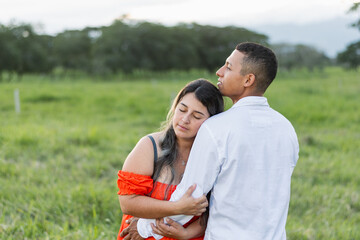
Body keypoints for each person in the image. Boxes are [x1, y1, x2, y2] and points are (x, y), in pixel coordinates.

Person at [137, 42, 299, 240]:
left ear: (248, 79)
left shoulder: (217, 128)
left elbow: (191, 195)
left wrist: (143, 227)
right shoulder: (286, 128)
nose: (219, 72)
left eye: (229, 67)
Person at [117, 79, 224, 240]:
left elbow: (217, 210)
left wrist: (187, 233)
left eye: (196, 116)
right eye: (182, 109)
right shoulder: (150, 147)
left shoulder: (215, 156)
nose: (185, 119)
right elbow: (128, 203)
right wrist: (178, 208)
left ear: (211, 122)